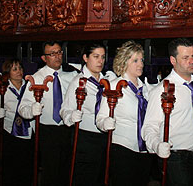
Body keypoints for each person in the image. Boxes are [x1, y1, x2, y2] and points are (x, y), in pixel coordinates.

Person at [141, 38, 193, 186]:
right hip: (175, 157)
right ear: (173, 60)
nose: (191, 61)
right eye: (185, 57)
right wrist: (157, 145)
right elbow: (149, 126)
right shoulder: (163, 89)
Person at [18, 41, 78, 186]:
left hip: (68, 128)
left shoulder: (71, 75)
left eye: (59, 52)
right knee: (51, 172)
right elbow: (22, 107)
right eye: (52, 54)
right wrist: (32, 110)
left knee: (67, 170)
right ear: (44, 58)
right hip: (47, 130)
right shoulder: (36, 77)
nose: (57, 56)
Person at [96, 41, 151, 186]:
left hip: (144, 149)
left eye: (141, 60)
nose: (140, 64)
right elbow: (100, 118)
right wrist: (105, 123)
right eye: (135, 60)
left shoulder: (145, 89)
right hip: (123, 148)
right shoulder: (114, 86)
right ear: (124, 61)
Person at [60, 43, 108, 186]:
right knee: (85, 178)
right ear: (85, 58)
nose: (100, 61)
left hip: (104, 138)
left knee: (100, 177)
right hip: (85, 138)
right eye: (96, 56)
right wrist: (71, 116)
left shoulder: (106, 81)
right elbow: (65, 109)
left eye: (103, 57)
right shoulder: (79, 82)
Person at [0, 58, 34, 186]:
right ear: (8, 72)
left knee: (28, 171)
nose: (19, 71)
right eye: (14, 69)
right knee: (12, 172)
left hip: (29, 134)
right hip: (11, 136)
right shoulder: (3, 90)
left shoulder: (29, 86)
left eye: (20, 68)